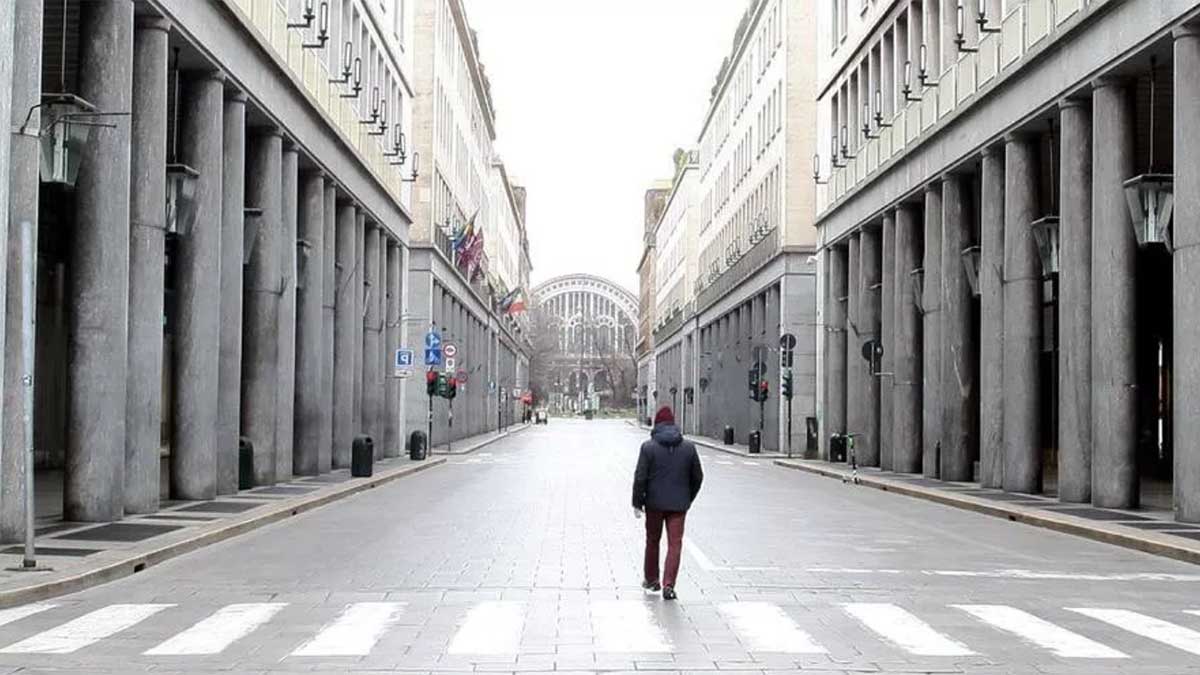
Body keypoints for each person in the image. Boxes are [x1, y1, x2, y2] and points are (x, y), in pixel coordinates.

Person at [632, 406, 703, 600]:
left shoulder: (648, 447)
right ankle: (669, 584)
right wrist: (687, 498)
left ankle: (652, 579)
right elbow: (698, 476)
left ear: (657, 425)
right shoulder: (688, 448)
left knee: (652, 541)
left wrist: (637, 502)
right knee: (675, 544)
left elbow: (640, 477)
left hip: (654, 504)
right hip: (678, 506)